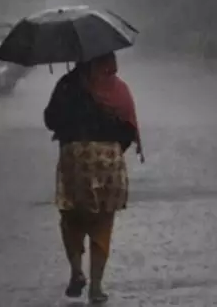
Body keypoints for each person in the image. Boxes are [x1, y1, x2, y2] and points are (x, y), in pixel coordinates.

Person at [44, 52, 143, 304]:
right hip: (108, 160)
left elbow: (50, 119)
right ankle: (96, 287)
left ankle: (77, 271)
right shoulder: (118, 88)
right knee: (102, 223)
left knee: (71, 216)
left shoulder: (69, 84)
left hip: (74, 158)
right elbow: (129, 127)